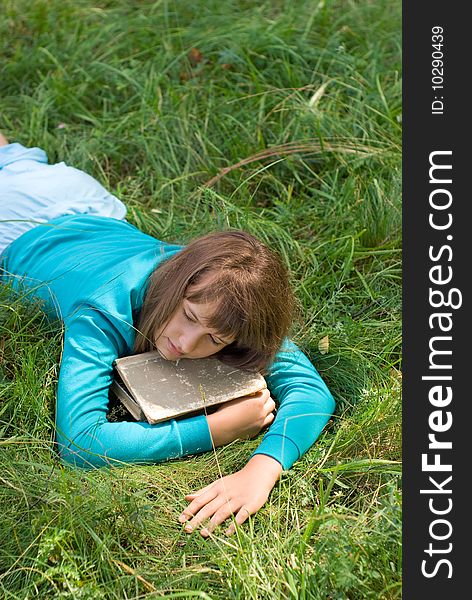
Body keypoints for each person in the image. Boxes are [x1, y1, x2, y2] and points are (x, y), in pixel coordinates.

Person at [0, 134, 335, 537]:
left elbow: (310, 390)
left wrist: (262, 469)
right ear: (177, 280)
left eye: (214, 340)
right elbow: (81, 444)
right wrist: (215, 430)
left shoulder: (225, 292)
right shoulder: (104, 308)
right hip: (12, 223)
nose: (186, 344)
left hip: (87, 208)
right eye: (189, 316)